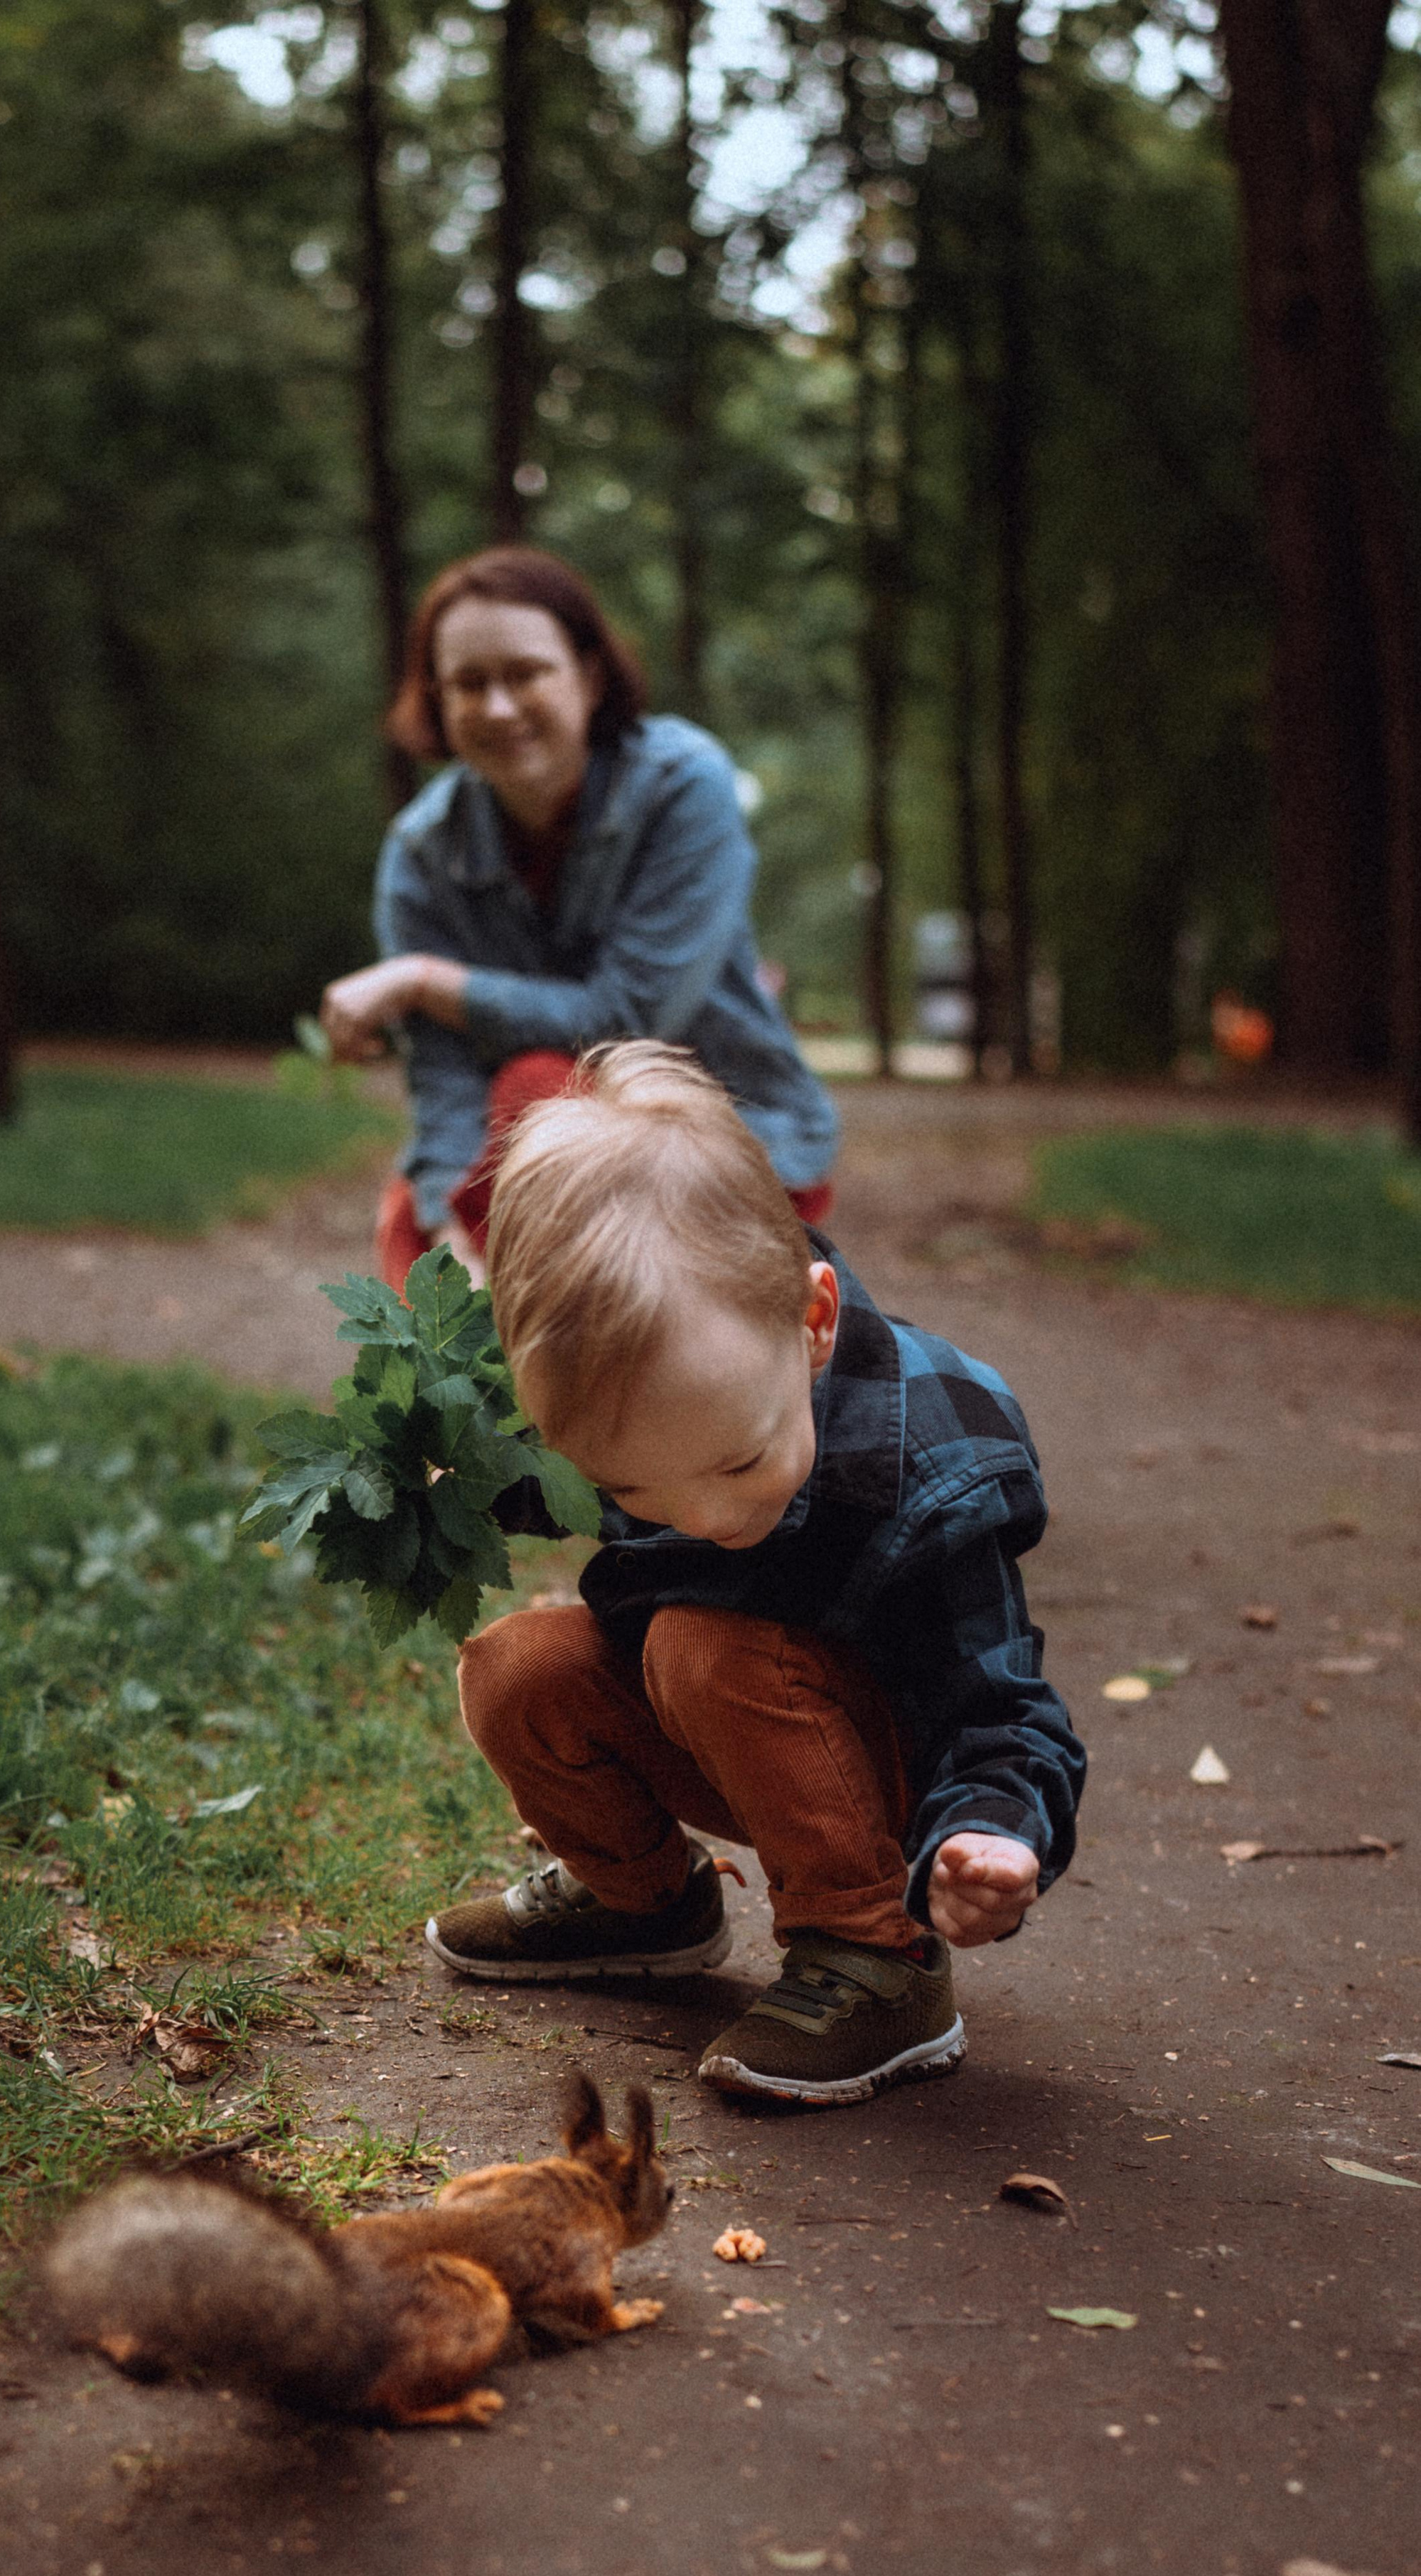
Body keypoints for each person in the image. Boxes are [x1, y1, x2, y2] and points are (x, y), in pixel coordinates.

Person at [423, 1041, 1085, 2108]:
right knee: (517, 1667)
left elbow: (1002, 1706)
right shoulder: (661, 1407)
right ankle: (645, 1905)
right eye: (636, 1490)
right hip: (726, 1731)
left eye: (739, 1462)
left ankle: (877, 1959)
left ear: (812, 1323)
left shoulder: (930, 1470)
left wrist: (995, 1829)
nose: (707, 1517)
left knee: (706, 1638)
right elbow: (535, 1482)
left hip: (892, 1779)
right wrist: (442, 1475)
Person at [318, 548, 840, 1289]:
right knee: (419, 1229)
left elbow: (630, 1017)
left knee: (538, 1091)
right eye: (469, 683)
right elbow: (442, 1075)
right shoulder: (419, 855)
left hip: (729, 1143)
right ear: (437, 700)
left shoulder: (684, 786)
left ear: (589, 678)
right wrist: (443, 1219)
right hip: (538, 1164)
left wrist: (423, 980)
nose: (498, 707)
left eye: (525, 673)